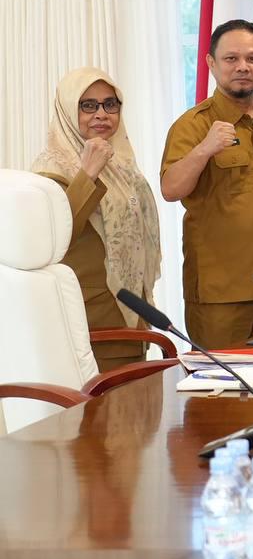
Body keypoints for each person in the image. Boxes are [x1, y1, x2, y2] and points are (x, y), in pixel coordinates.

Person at [160, 19, 253, 348]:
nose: (243, 67)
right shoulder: (193, 125)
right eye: (231, 58)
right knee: (221, 379)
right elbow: (170, 189)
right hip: (220, 294)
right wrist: (204, 149)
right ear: (211, 63)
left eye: (252, 58)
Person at [32, 67, 162, 371]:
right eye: (88, 105)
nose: (101, 114)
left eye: (110, 104)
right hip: (90, 321)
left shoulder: (123, 166)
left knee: (135, 400)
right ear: (67, 110)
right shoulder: (50, 171)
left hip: (131, 314)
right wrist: (87, 173)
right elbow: (53, 239)